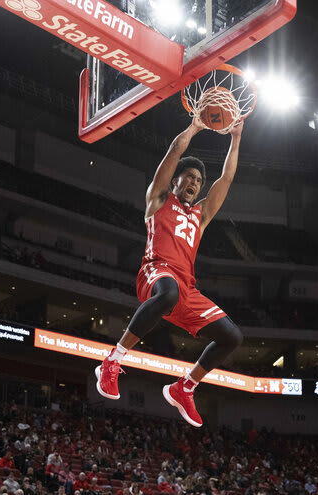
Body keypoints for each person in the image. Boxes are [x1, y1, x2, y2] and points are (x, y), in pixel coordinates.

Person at [95, 117, 245, 428]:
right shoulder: (159, 200)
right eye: (188, 177)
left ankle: (185, 387)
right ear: (175, 180)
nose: (193, 183)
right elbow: (175, 150)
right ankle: (112, 361)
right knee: (169, 293)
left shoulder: (200, 216)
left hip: (186, 289)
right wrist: (194, 127)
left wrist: (236, 137)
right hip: (156, 273)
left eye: (198, 181)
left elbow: (227, 179)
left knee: (232, 336)